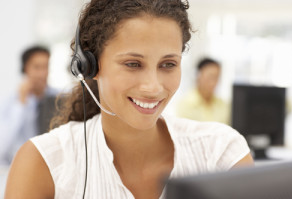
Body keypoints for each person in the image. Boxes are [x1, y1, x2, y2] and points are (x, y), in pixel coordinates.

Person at [5, 0, 253, 198]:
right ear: (90, 65)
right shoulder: (44, 162)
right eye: (133, 64)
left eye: (168, 64)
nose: (153, 87)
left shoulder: (221, 153)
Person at [0, 46, 58, 166]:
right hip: (22, 166)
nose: (43, 73)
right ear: (25, 69)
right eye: (37, 67)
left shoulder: (59, 98)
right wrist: (21, 104)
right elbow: (2, 148)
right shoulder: (11, 103)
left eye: (46, 66)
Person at [176, 58, 231, 124]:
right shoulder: (186, 104)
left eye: (217, 77)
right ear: (198, 76)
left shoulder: (223, 104)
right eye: (210, 77)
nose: (214, 82)